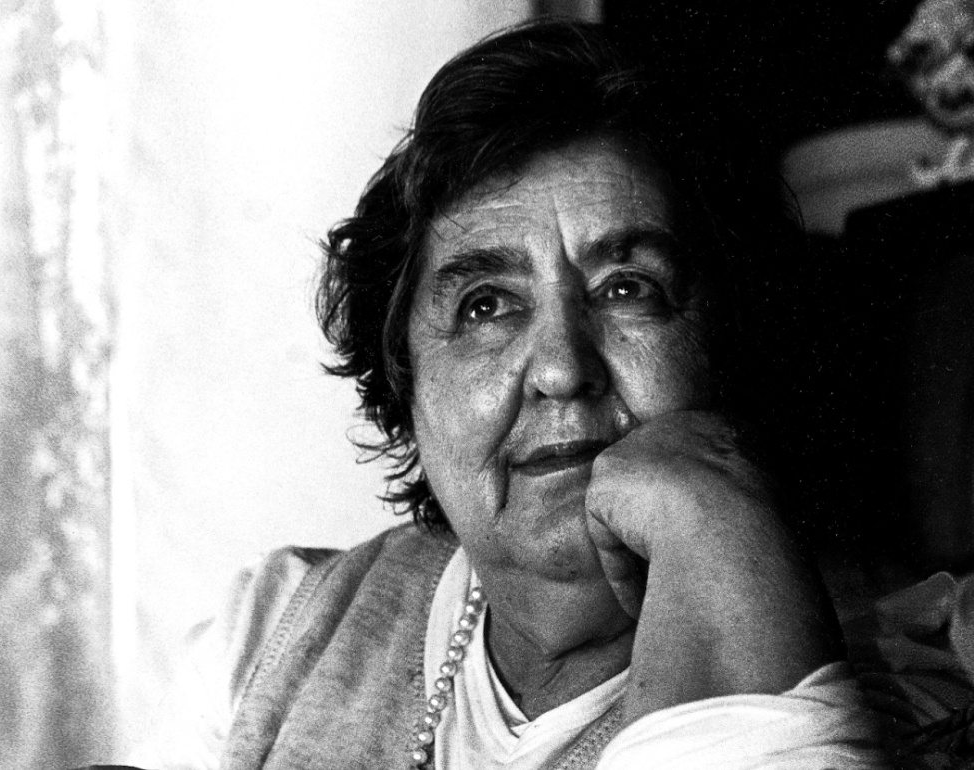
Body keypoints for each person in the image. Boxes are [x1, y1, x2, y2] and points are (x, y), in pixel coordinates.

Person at [129, 19, 890, 770]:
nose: (560, 370)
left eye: (627, 288)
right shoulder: (269, 637)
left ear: (727, 343)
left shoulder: (890, 682)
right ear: (404, 379)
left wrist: (713, 523)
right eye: (486, 306)